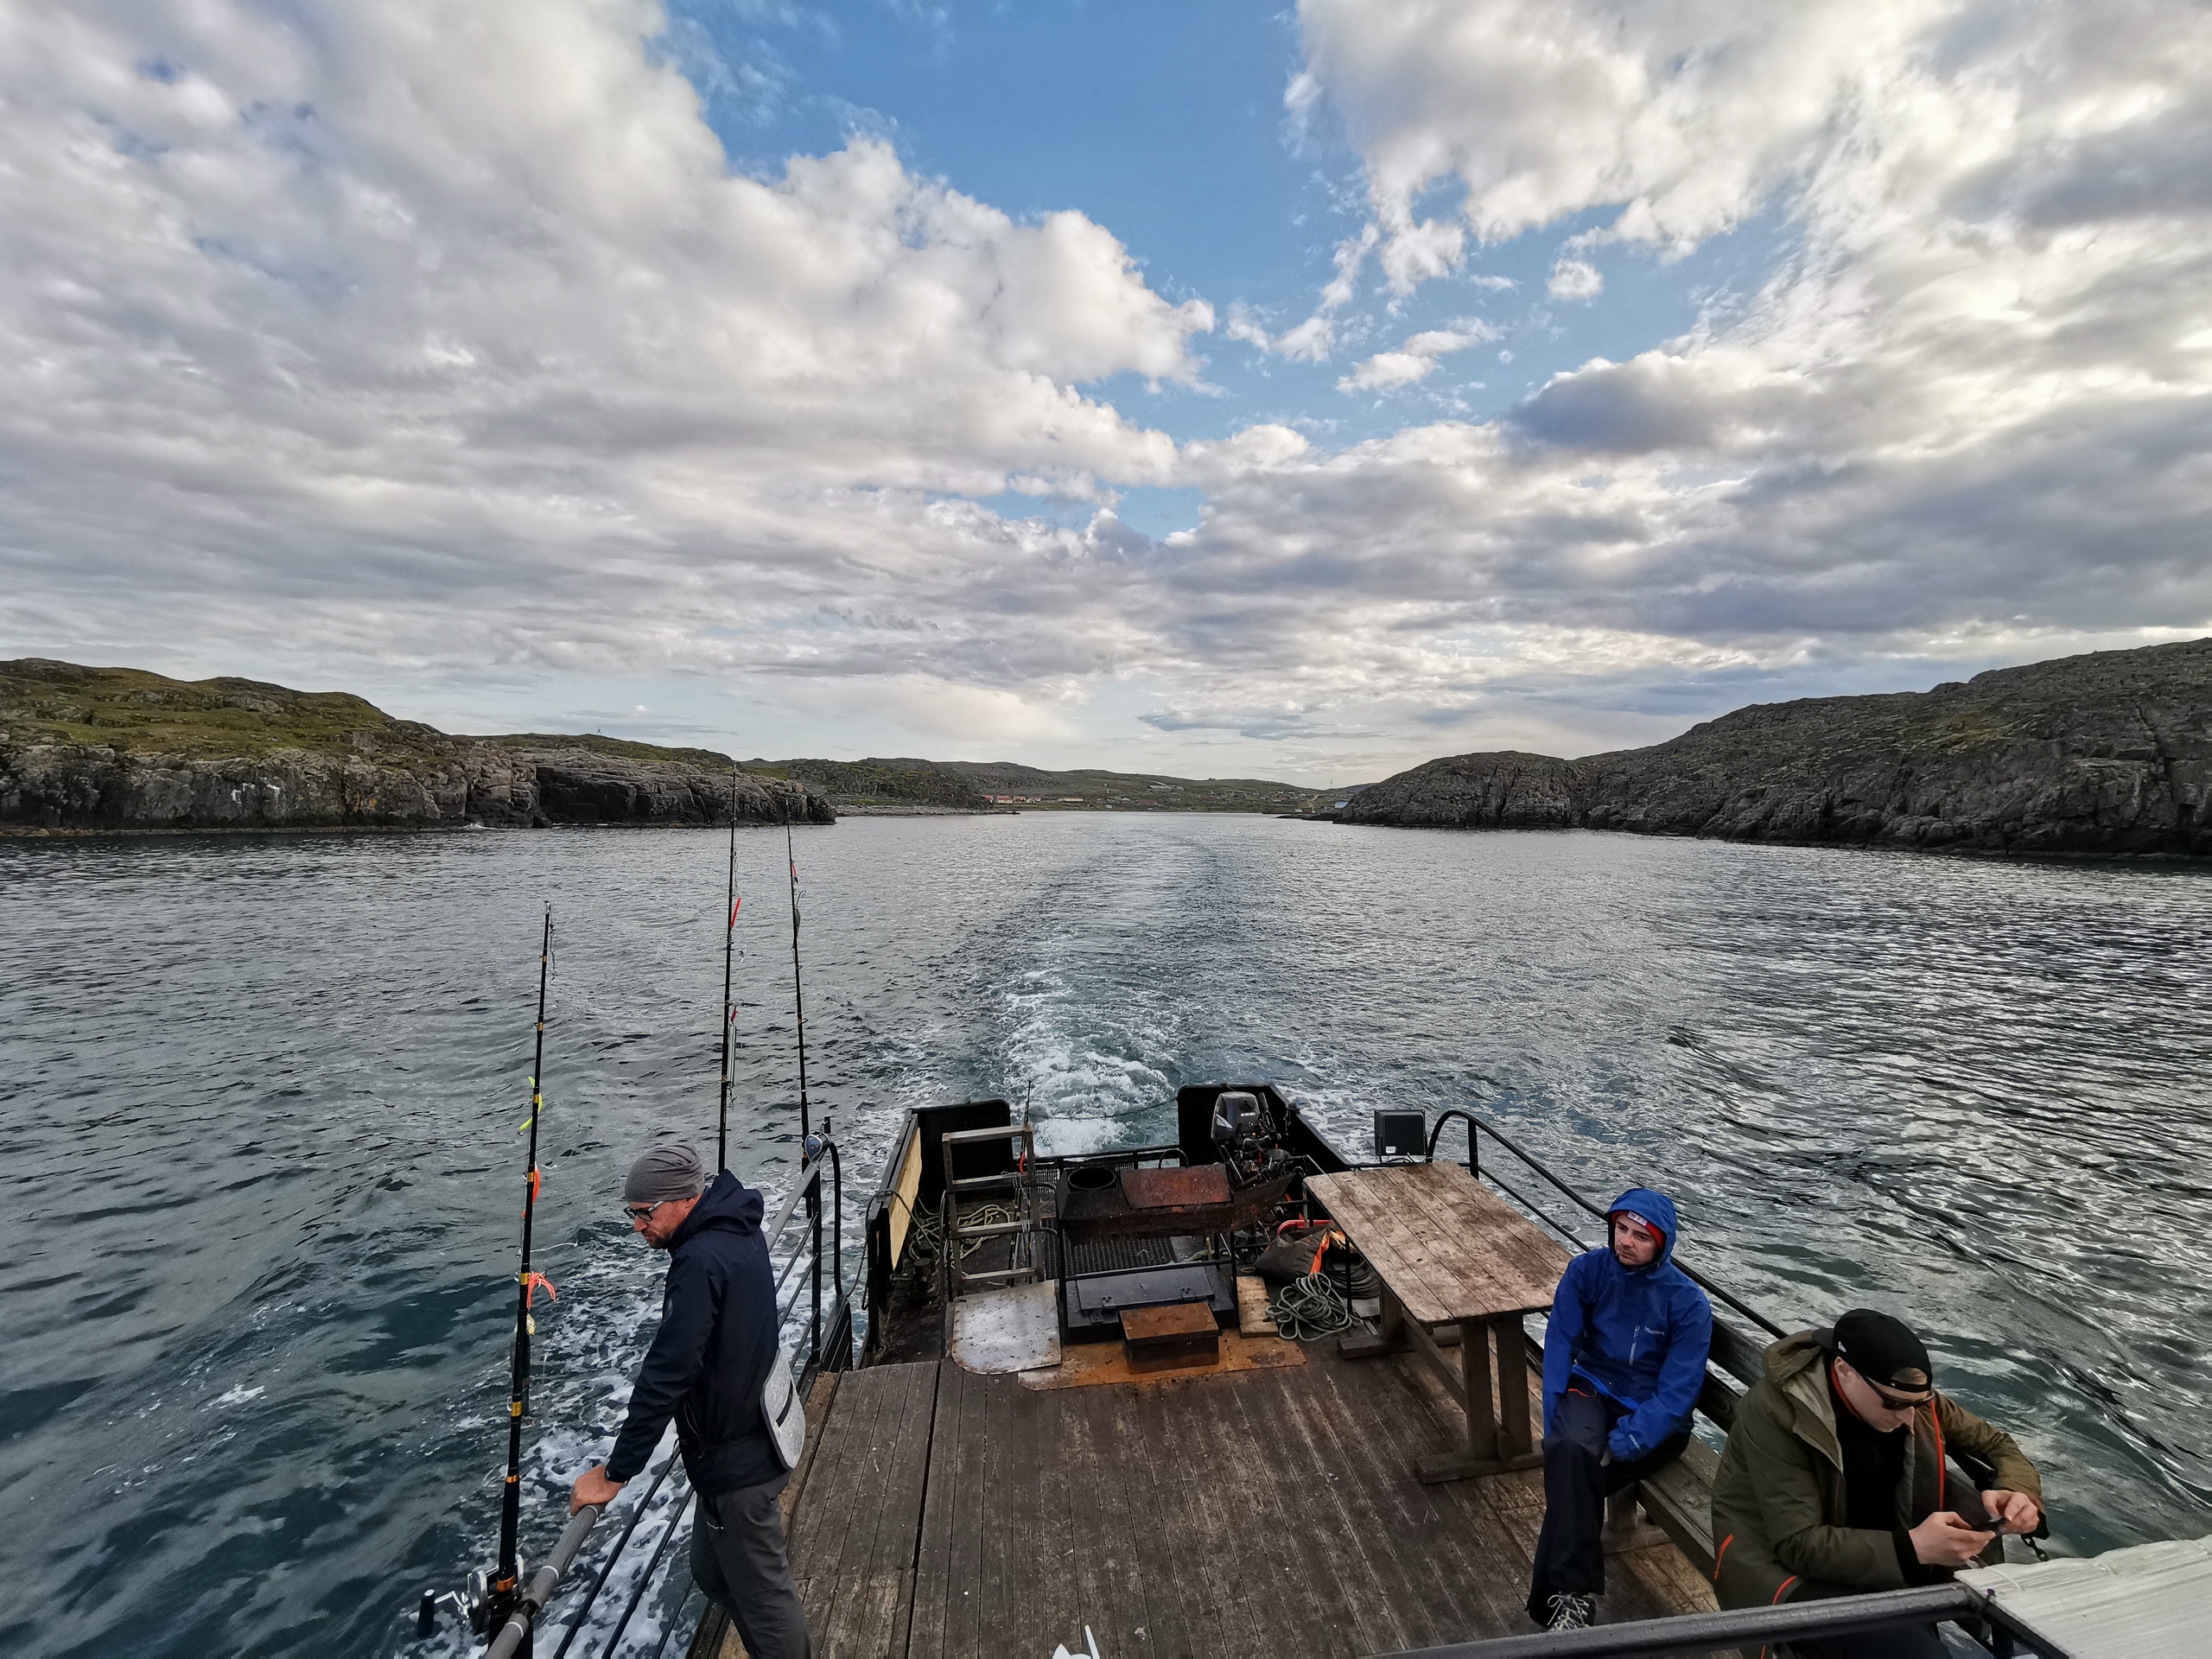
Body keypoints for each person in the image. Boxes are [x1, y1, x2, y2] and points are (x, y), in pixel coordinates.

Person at [569, 1143, 810, 1659]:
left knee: (769, 1606)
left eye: (643, 1212)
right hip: (754, 1437)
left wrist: (615, 1472)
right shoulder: (735, 1228)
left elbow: (666, 1374)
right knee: (710, 1570)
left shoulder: (698, 1261)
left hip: (739, 1467)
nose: (636, 1225)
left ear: (682, 1201)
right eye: (631, 1212)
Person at [1711, 1308, 2044, 1659]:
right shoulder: (1776, 1412)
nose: (1908, 1418)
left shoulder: (1910, 1398)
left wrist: (2019, 1493)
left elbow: (1997, 1444)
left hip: (1884, 1560)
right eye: (1894, 1403)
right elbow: (1798, 1545)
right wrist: (1914, 1547)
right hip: (1778, 1567)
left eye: (1921, 1403)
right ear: (1844, 1371)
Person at [1527, 1187, 1713, 1630]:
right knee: (1570, 1449)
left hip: (1652, 1415)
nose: (1626, 1242)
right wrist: (1554, 1411)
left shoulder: (1687, 1303)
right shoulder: (1587, 1272)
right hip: (1592, 1387)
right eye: (1621, 1229)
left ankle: (1562, 1603)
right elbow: (1559, 1342)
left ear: (1662, 1243)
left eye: (1641, 1236)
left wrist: (1630, 1439)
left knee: (1573, 1474)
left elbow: (1678, 1391)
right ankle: (1571, 1600)